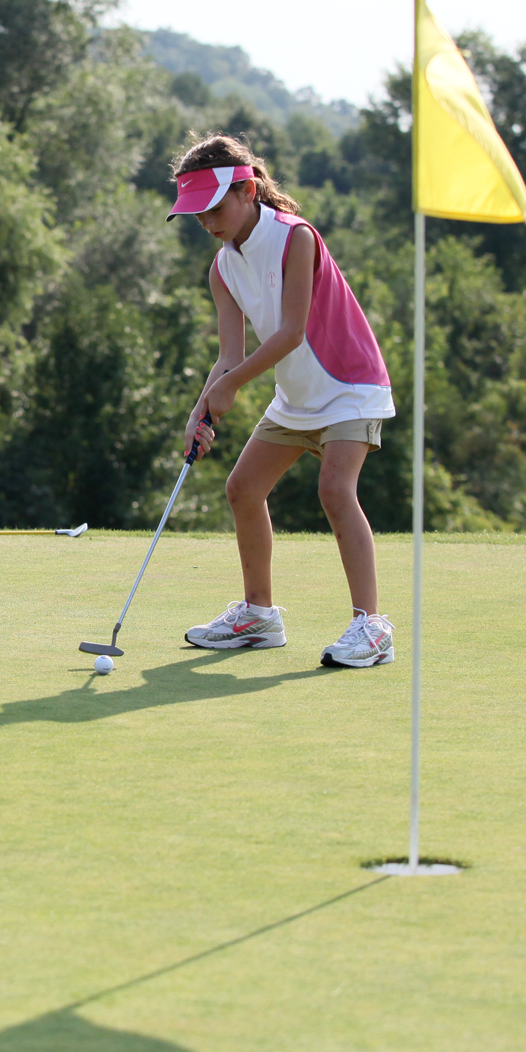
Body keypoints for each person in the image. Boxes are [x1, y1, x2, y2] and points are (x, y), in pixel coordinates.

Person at [168, 135, 398, 668]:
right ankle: (259, 616)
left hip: (350, 386)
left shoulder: (296, 237)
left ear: (247, 190)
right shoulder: (222, 268)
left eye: (215, 207)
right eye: (196, 212)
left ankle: (372, 627)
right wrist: (200, 407)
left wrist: (230, 388)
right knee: (243, 488)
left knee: (335, 490)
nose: (206, 221)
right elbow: (230, 355)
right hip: (296, 397)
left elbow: (292, 332)